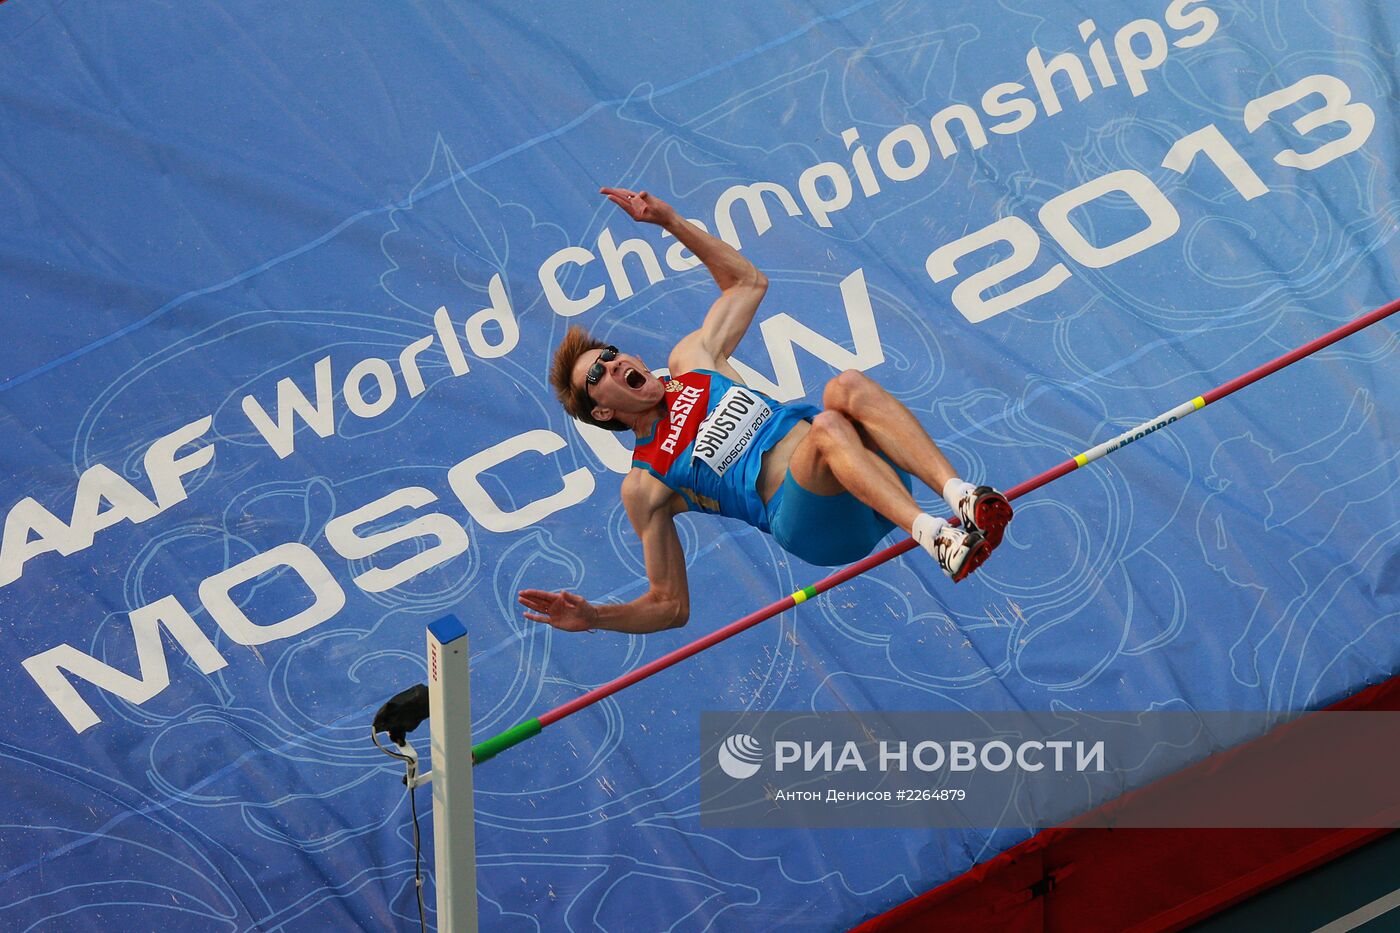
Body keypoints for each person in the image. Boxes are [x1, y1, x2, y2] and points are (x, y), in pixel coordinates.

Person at [518, 187, 1012, 634]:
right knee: (828, 426)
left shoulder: (692, 361)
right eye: (595, 376)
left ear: (632, 358)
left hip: (871, 482)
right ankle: (936, 539)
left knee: (847, 386)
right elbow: (670, 606)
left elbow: (747, 283)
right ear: (603, 412)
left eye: (608, 354)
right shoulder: (644, 482)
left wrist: (670, 221)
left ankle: (961, 498)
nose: (611, 364)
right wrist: (596, 617)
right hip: (814, 523)